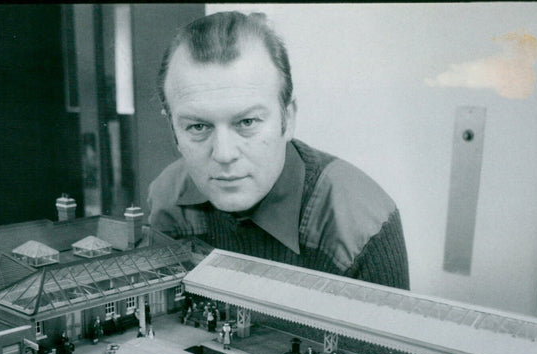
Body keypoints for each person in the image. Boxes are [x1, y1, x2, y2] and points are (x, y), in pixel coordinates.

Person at [148, 11, 409, 290]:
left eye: (247, 122)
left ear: (288, 119)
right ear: (173, 130)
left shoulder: (362, 224)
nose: (224, 154)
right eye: (198, 127)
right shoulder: (166, 198)